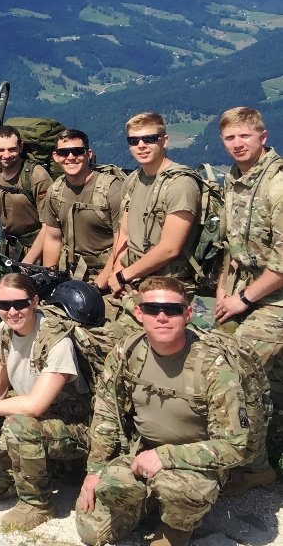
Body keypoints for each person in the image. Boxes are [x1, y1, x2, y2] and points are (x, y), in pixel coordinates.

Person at [76, 277, 253, 546]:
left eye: (172, 309)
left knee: (178, 490)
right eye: (151, 309)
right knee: (93, 534)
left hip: (194, 463)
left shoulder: (213, 367)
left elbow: (235, 446)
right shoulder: (128, 352)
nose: (162, 317)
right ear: (138, 313)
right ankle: (146, 503)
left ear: (188, 314)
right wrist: (95, 470)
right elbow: (107, 413)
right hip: (142, 451)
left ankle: (178, 528)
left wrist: (164, 456)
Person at [0, 274, 91, 531]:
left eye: (20, 304)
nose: (12, 312)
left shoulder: (56, 341)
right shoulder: (5, 332)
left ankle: (38, 503)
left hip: (73, 427)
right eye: (3, 305)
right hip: (36, 421)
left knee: (18, 426)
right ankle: (44, 469)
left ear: (34, 301)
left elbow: (35, 406)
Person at [213, 106, 283, 494]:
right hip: (245, 289)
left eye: (245, 136)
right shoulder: (235, 181)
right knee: (207, 355)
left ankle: (256, 467)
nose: (237, 144)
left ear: (263, 136)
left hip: (275, 299)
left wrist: (241, 299)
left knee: (236, 371)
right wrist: (225, 290)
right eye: (230, 138)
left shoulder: (278, 184)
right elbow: (234, 246)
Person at [100, 113, 201, 310]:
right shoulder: (134, 179)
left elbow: (170, 248)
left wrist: (124, 275)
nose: (141, 145)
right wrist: (118, 270)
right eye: (134, 140)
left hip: (167, 282)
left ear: (164, 141)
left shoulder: (180, 184)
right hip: (133, 276)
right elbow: (125, 233)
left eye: (149, 139)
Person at [36, 129, 124, 283]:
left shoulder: (112, 190)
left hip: (108, 275)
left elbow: (123, 243)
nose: (70, 157)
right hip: (69, 274)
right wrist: (49, 279)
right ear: (55, 157)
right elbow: (53, 238)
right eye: (64, 153)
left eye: (77, 151)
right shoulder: (56, 191)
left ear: (88, 154)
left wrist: (100, 284)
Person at [0, 126, 51, 261]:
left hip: (37, 248)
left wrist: (27, 263)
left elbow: (48, 226)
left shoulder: (37, 176)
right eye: (0, 150)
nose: (6, 155)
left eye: (12, 149)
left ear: (20, 147)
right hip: (8, 248)